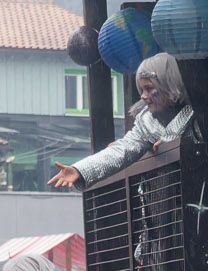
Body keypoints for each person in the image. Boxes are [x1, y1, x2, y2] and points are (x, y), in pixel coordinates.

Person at [47, 53, 192, 189]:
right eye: (141, 90)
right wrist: (79, 169)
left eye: (149, 88)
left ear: (168, 85)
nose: (143, 96)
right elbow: (121, 150)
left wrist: (174, 142)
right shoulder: (146, 124)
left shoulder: (199, 115)